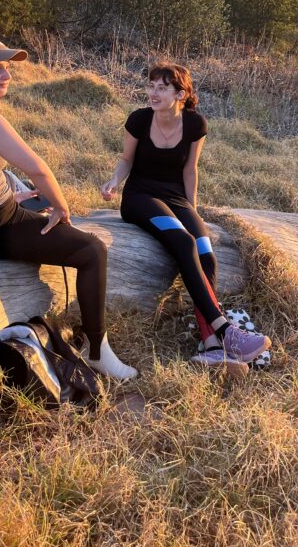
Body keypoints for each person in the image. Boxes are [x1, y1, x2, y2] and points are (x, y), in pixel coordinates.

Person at [0, 35, 136, 381]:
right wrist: (61, 209)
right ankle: (99, 351)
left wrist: (14, 193)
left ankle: (30, 203)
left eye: (7, 69)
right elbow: (39, 168)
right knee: (92, 249)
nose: (6, 76)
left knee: (33, 197)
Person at [101, 63, 270, 370]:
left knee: (207, 255)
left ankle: (210, 347)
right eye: (151, 86)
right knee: (182, 240)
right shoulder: (139, 120)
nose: (153, 92)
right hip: (141, 197)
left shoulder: (195, 125)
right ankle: (223, 328)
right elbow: (126, 159)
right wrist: (114, 181)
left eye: (162, 88)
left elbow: (190, 169)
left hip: (177, 198)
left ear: (180, 94)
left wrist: (191, 208)